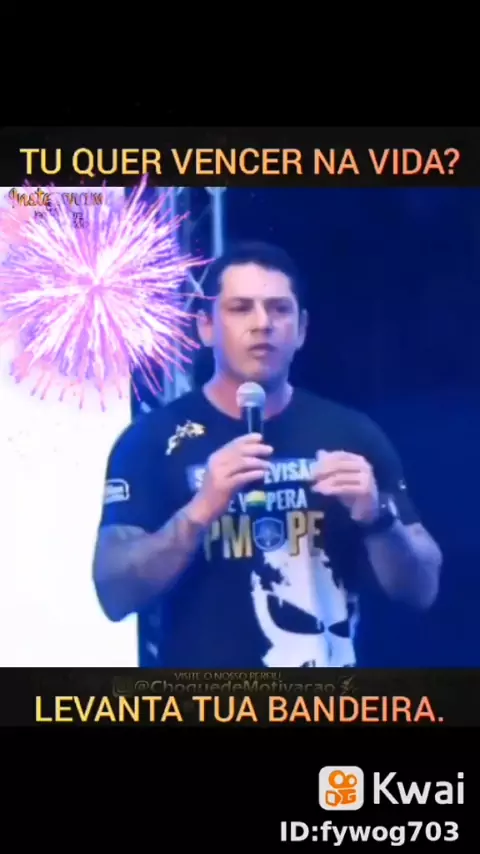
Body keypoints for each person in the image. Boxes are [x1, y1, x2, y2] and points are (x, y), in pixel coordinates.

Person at [93, 241, 442, 668]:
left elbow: (422, 589)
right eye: (241, 308)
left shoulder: (352, 434)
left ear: (301, 329)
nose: (262, 324)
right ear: (205, 326)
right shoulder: (152, 439)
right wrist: (198, 512)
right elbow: (114, 594)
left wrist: (378, 519)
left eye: (279, 309)